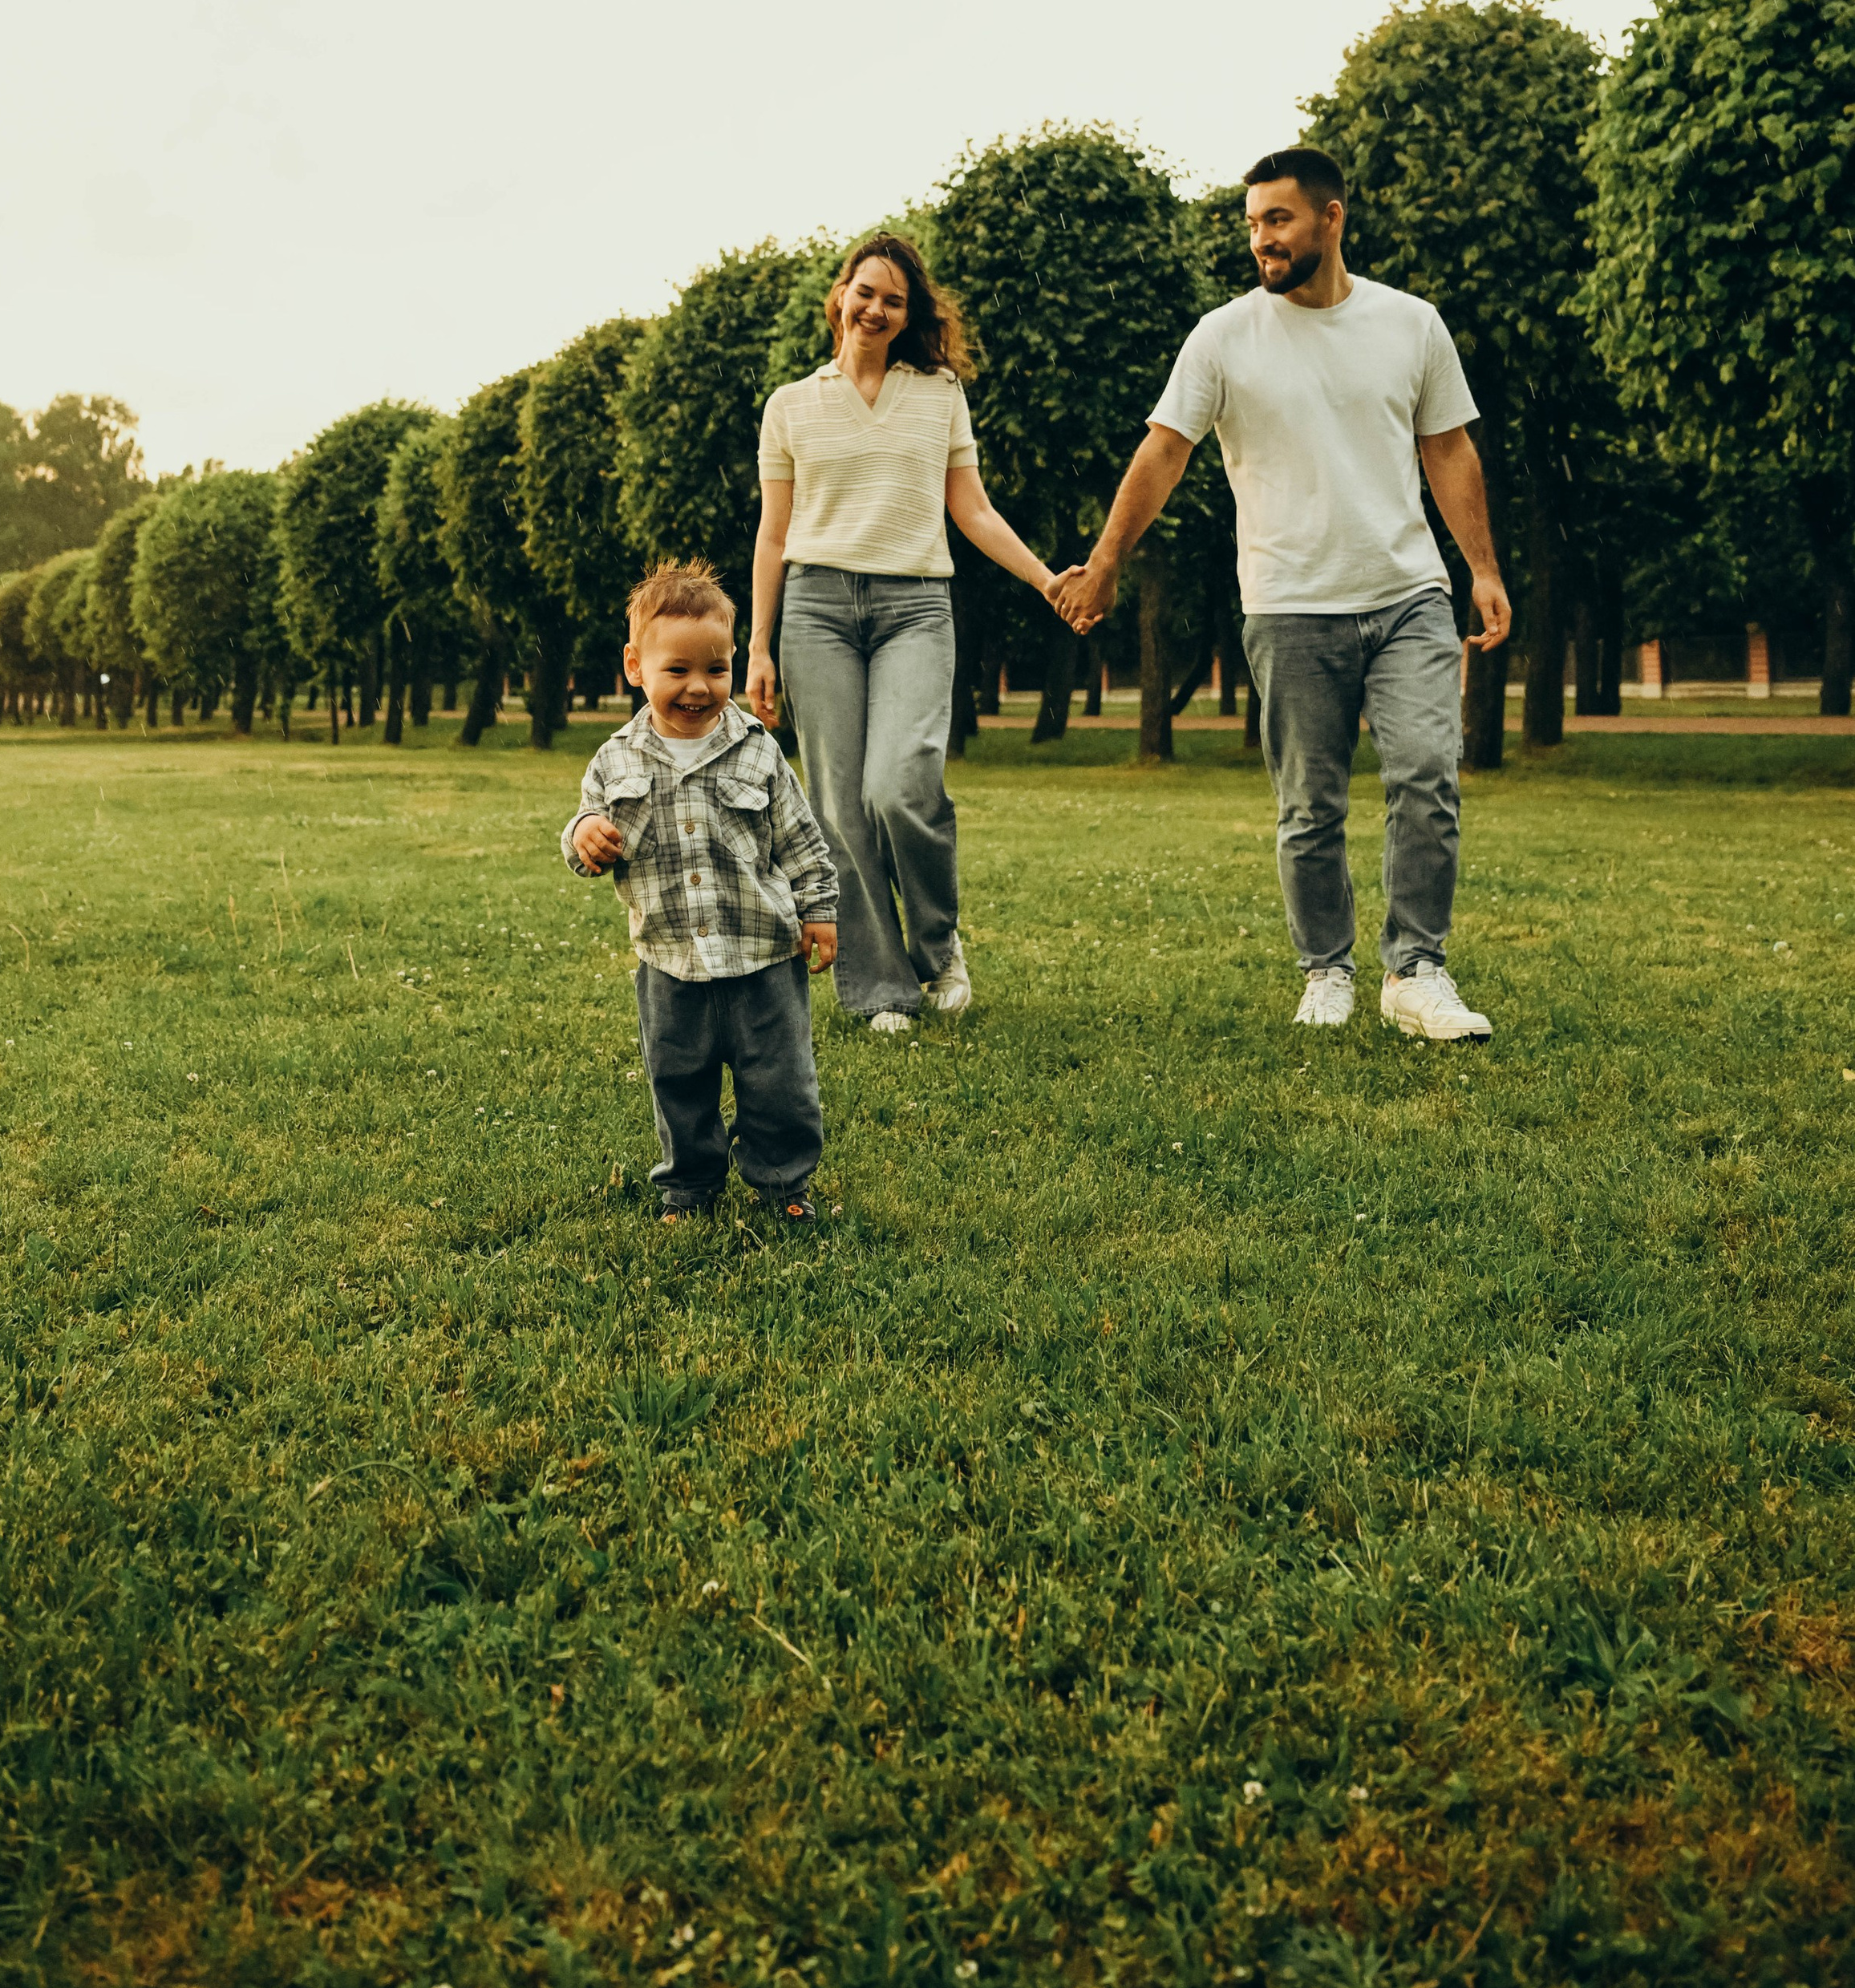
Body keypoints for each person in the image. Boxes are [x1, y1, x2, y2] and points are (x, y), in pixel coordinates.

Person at [1051, 148, 1509, 1041]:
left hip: (1407, 591)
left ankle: (1416, 969)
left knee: (1427, 774)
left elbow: (1448, 449)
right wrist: (1105, 559)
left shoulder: (1410, 324)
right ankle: (1327, 969)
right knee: (1310, 807)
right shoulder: (1222, 337)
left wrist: (1481, 567)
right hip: (1289, 603)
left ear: (1331, 218)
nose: (1260, 239)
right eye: (1253, 223)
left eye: (1278, 220)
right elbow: (1164, 453)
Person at [747, 232, 1059, 1032]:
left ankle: (937, 944)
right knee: (840, 809)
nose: (876, 309)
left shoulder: (938, 394)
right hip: (815, 610)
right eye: (865, 291)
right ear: (839, 295)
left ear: (908, 313)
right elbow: (773, 535)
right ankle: (880, 988)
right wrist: (757, 647)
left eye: (894, 299)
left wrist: (1046, 578)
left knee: (900, 783)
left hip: (916, 605)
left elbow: (974, 511)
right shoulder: (790, 405)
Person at [563, 559, 838, 1222]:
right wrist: (584, 836)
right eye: (677, 671)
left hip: (763, 959)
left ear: (733, 663)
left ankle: (783, 1188)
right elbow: (582, 830)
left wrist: (820, 912)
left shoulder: (758, 750)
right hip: (669, 963)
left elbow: (800, 839)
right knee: (678, 1084)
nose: (698, 687)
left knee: (779, 1083)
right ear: (635, 666)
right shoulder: (615, 759)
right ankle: (688, 1188)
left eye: (715, 670)